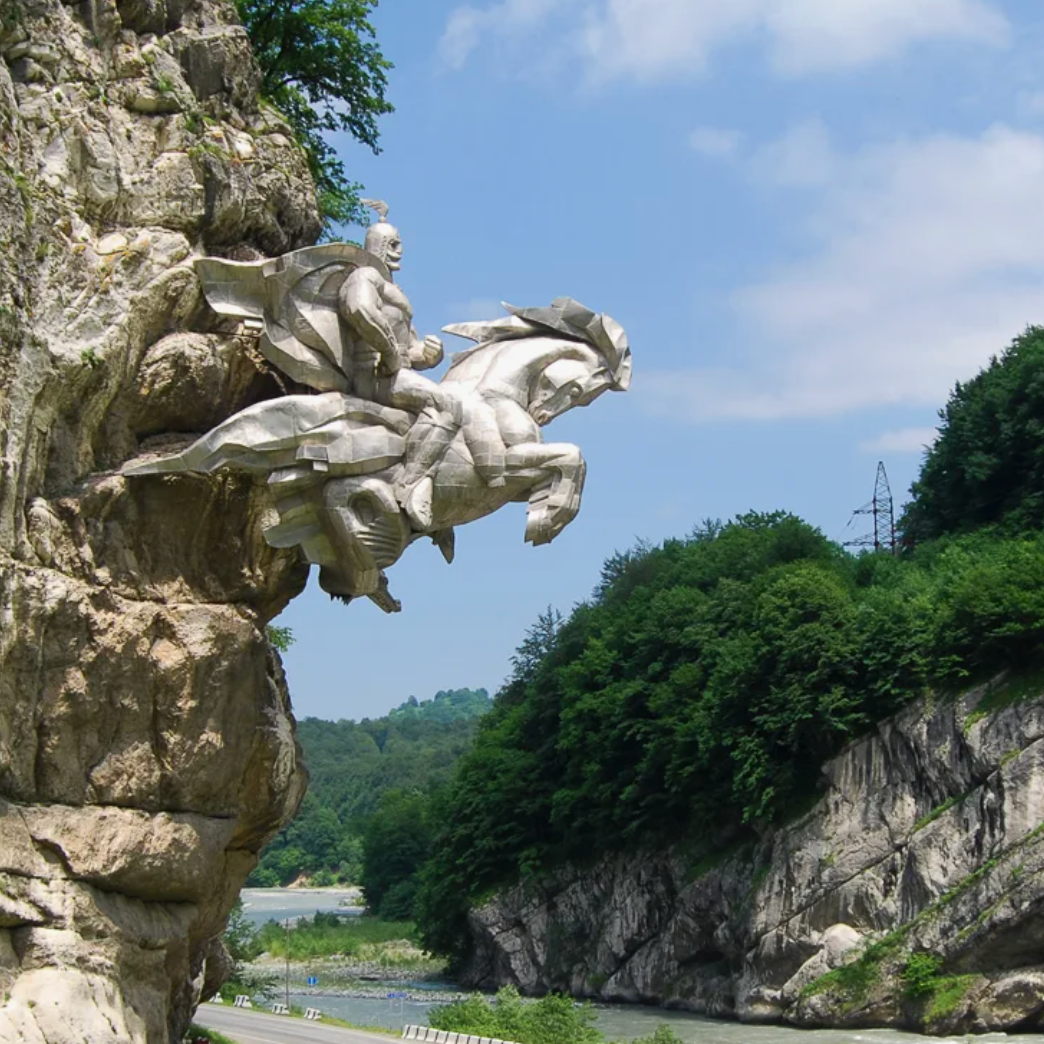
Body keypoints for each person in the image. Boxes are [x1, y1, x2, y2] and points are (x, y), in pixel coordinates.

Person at [339, 202, 506, 529]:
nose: (399, 252)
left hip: (393, 374)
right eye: (394, 244)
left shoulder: (394, 291)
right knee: (446, 404)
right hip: (371, 376)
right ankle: (411, 483)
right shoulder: (365, 276)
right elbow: (357, 309)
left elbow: (408, 350)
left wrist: (428, 355)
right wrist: (388, 352)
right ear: (380, 246)